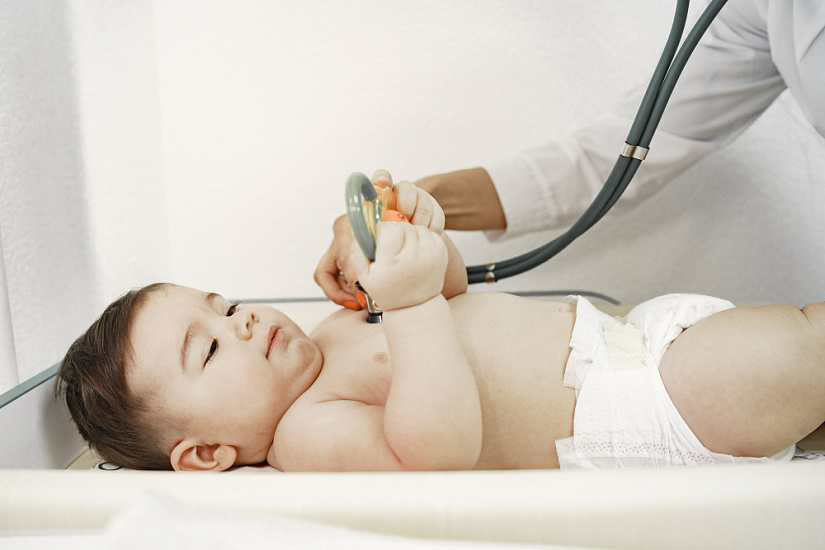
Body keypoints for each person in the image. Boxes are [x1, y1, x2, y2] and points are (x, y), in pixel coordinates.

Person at [57, 181, 825, 471]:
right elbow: (433, 452)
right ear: (207, 453)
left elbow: (451, 293)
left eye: (224, 306)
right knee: (804, 346)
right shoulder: (306, 434)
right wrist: (411, 303)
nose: (244, 322)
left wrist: (420, 239)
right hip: (646, 406)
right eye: (210, 346)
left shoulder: (328, 335)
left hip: (639, 340)